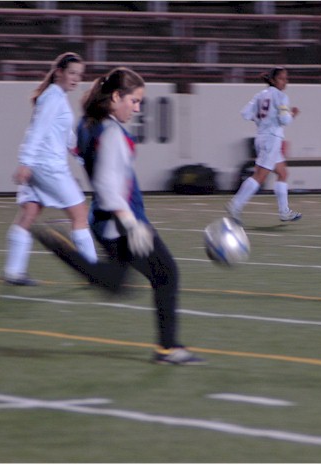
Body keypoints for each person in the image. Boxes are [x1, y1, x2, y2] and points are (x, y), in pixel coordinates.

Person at [76, 67, 205, 365]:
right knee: (166, 273)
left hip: (104, 220)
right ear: (116, 97)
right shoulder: (111, 133)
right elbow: (107, 186)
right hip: (121, 220)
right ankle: (168, 349)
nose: (136, 109)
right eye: (133, 101)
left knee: (117, 282)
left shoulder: (90, 124)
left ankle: (68, 253)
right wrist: (132, 224)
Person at [3, 52, 98, 286]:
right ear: (59, 73)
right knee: (80, 214)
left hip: (40, 166)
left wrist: (81, 155)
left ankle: (13, 272)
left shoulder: (56, 97)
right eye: (72, 73)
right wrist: (25, 162)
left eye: (79, 75)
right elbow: (37, 131)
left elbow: (63, 135)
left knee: (29, 214)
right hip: (48, 167)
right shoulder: (53, 97)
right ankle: (94, 273)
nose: (76, 78)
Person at [227, 67, 302, 223]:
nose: (285, 82)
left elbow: (245, 113)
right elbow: (285, 120)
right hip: (272, 139)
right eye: (282, 78)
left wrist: (262, 120)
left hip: (262, 137)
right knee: (259, 176)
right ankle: (235, 205)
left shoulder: (260, 95)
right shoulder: (281, 96)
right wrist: (293, 113)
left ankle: (284, 212)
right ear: (273, 80)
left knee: (282, 173)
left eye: (286, 78)